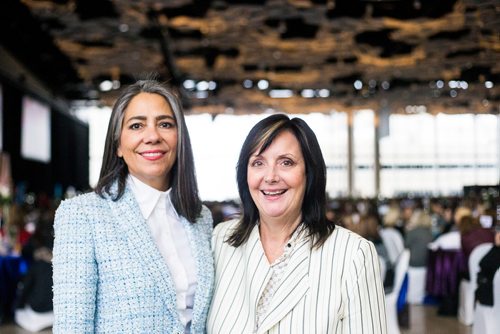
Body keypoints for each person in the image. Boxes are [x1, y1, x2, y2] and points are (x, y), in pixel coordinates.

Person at [52, 78, 214, 333]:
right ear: (117, 144)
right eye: (137, 125)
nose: (152, 136)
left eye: (165, 124)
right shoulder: (82, 215)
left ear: (179, 138)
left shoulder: (200, 218)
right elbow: (72, 327)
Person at [207, 114, 386, 333]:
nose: (271, 176)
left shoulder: (353, 254)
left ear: (309, 174)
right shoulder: (220, 241)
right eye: (258, 163)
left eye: (286, 162)